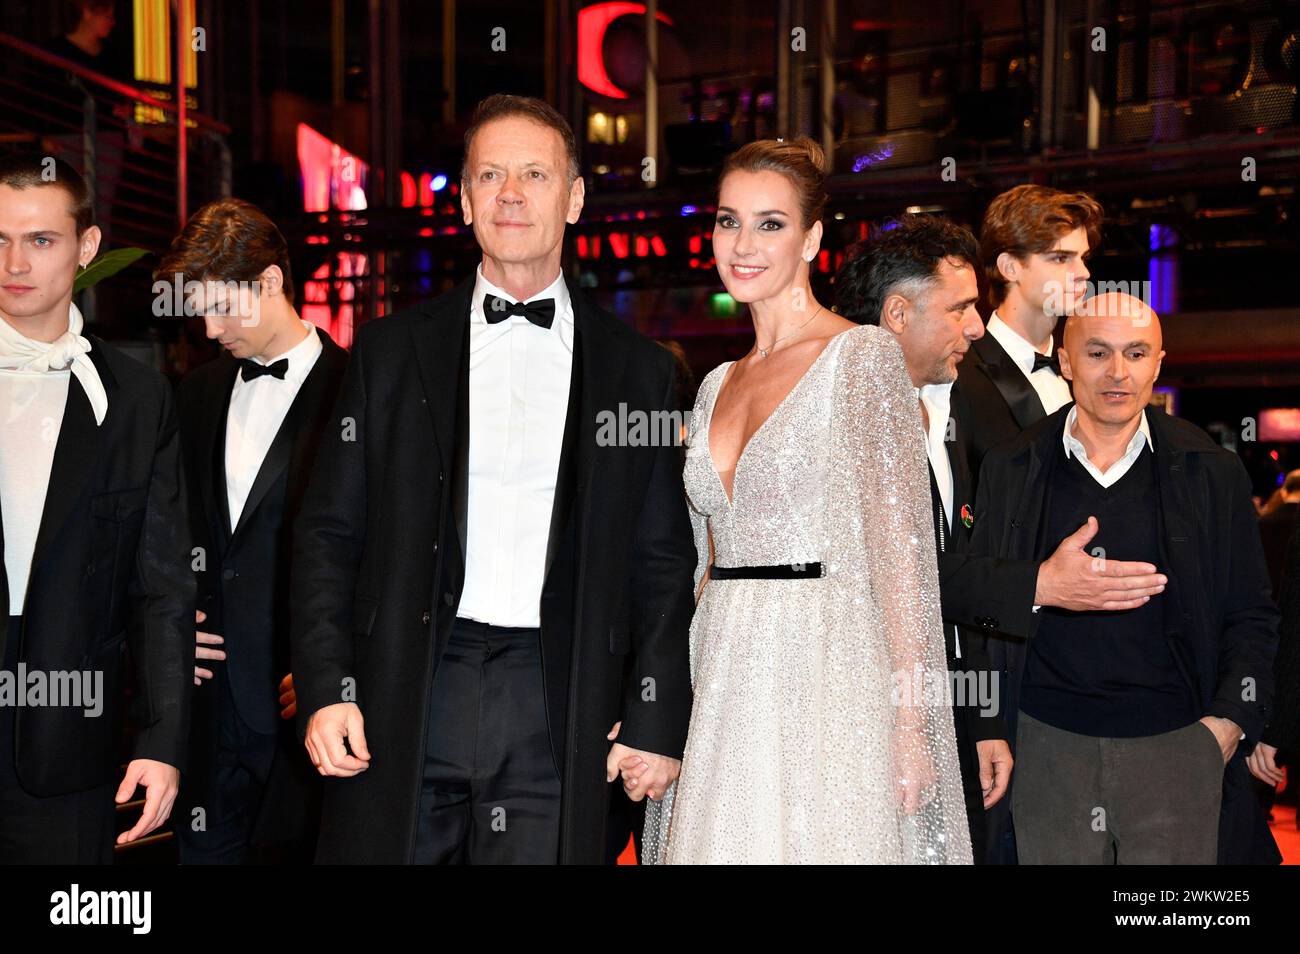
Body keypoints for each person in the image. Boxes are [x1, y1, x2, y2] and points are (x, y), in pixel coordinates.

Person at [289, 94, 696, 864]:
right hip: (402, 690)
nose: (511, 193)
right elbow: (326, 535)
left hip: (561, 698)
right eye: (491, 175)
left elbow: (663, 562)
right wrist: (324, 686)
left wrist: (655, 712)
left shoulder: (639, 371)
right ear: (468, 198)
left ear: (574, 198)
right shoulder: (385, 351)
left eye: (535, 175)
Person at [640, 139, 971, 864]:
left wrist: (912, 724)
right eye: (729, 221)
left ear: (812, 238)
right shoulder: (713, 383)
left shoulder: (862, 358)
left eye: (770, 223)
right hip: (722, 670)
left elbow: (902, 560)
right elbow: (700, 567)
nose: (743, 244)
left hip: (827, 671)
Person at [833, 213, 1166, 862]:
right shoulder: (838, 420)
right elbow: (889, 576)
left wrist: (982, 721)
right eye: (960, 308)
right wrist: (1041, 583)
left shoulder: (941, 409)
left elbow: (963, 563)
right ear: (898, 314)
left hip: (958, 703)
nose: (975, 326)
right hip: (862, 709)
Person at [970, 291, 1280, 863]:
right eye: (1097, 353)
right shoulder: (1013, 465)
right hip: (1047, 746)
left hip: (1179, 745)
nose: (1118, 373)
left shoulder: (1211, 468)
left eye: (1136, 354)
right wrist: (989, 720)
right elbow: (984, 603)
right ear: (1065, 362)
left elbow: (1251, 611)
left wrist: (1231, 721)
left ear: (1158, 363)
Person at [0, 154, 191, 862]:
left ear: (86, 248)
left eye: (40, 240)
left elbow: (163, 587)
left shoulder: (137, 401)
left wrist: (164, 739)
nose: (15, 261)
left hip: (70, 745)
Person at [162, 198, 347, 863]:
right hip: (209, 714)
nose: (209, 329)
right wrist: (173, 624)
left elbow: (388, 553)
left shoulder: (357, 390)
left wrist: (340, 664)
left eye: (221, 307)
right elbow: (167, 535)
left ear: (270, 282)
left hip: (308, 714)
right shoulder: (197, 394)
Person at [951, 182, 1103, 862]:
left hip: (1087, 652)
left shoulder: (1086, 375)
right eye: (1063, 259)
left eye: (1084, 258)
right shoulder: (961, 377)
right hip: (1005, 654)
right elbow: (956, 549)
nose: (1084, 274)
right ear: (1008, 267)